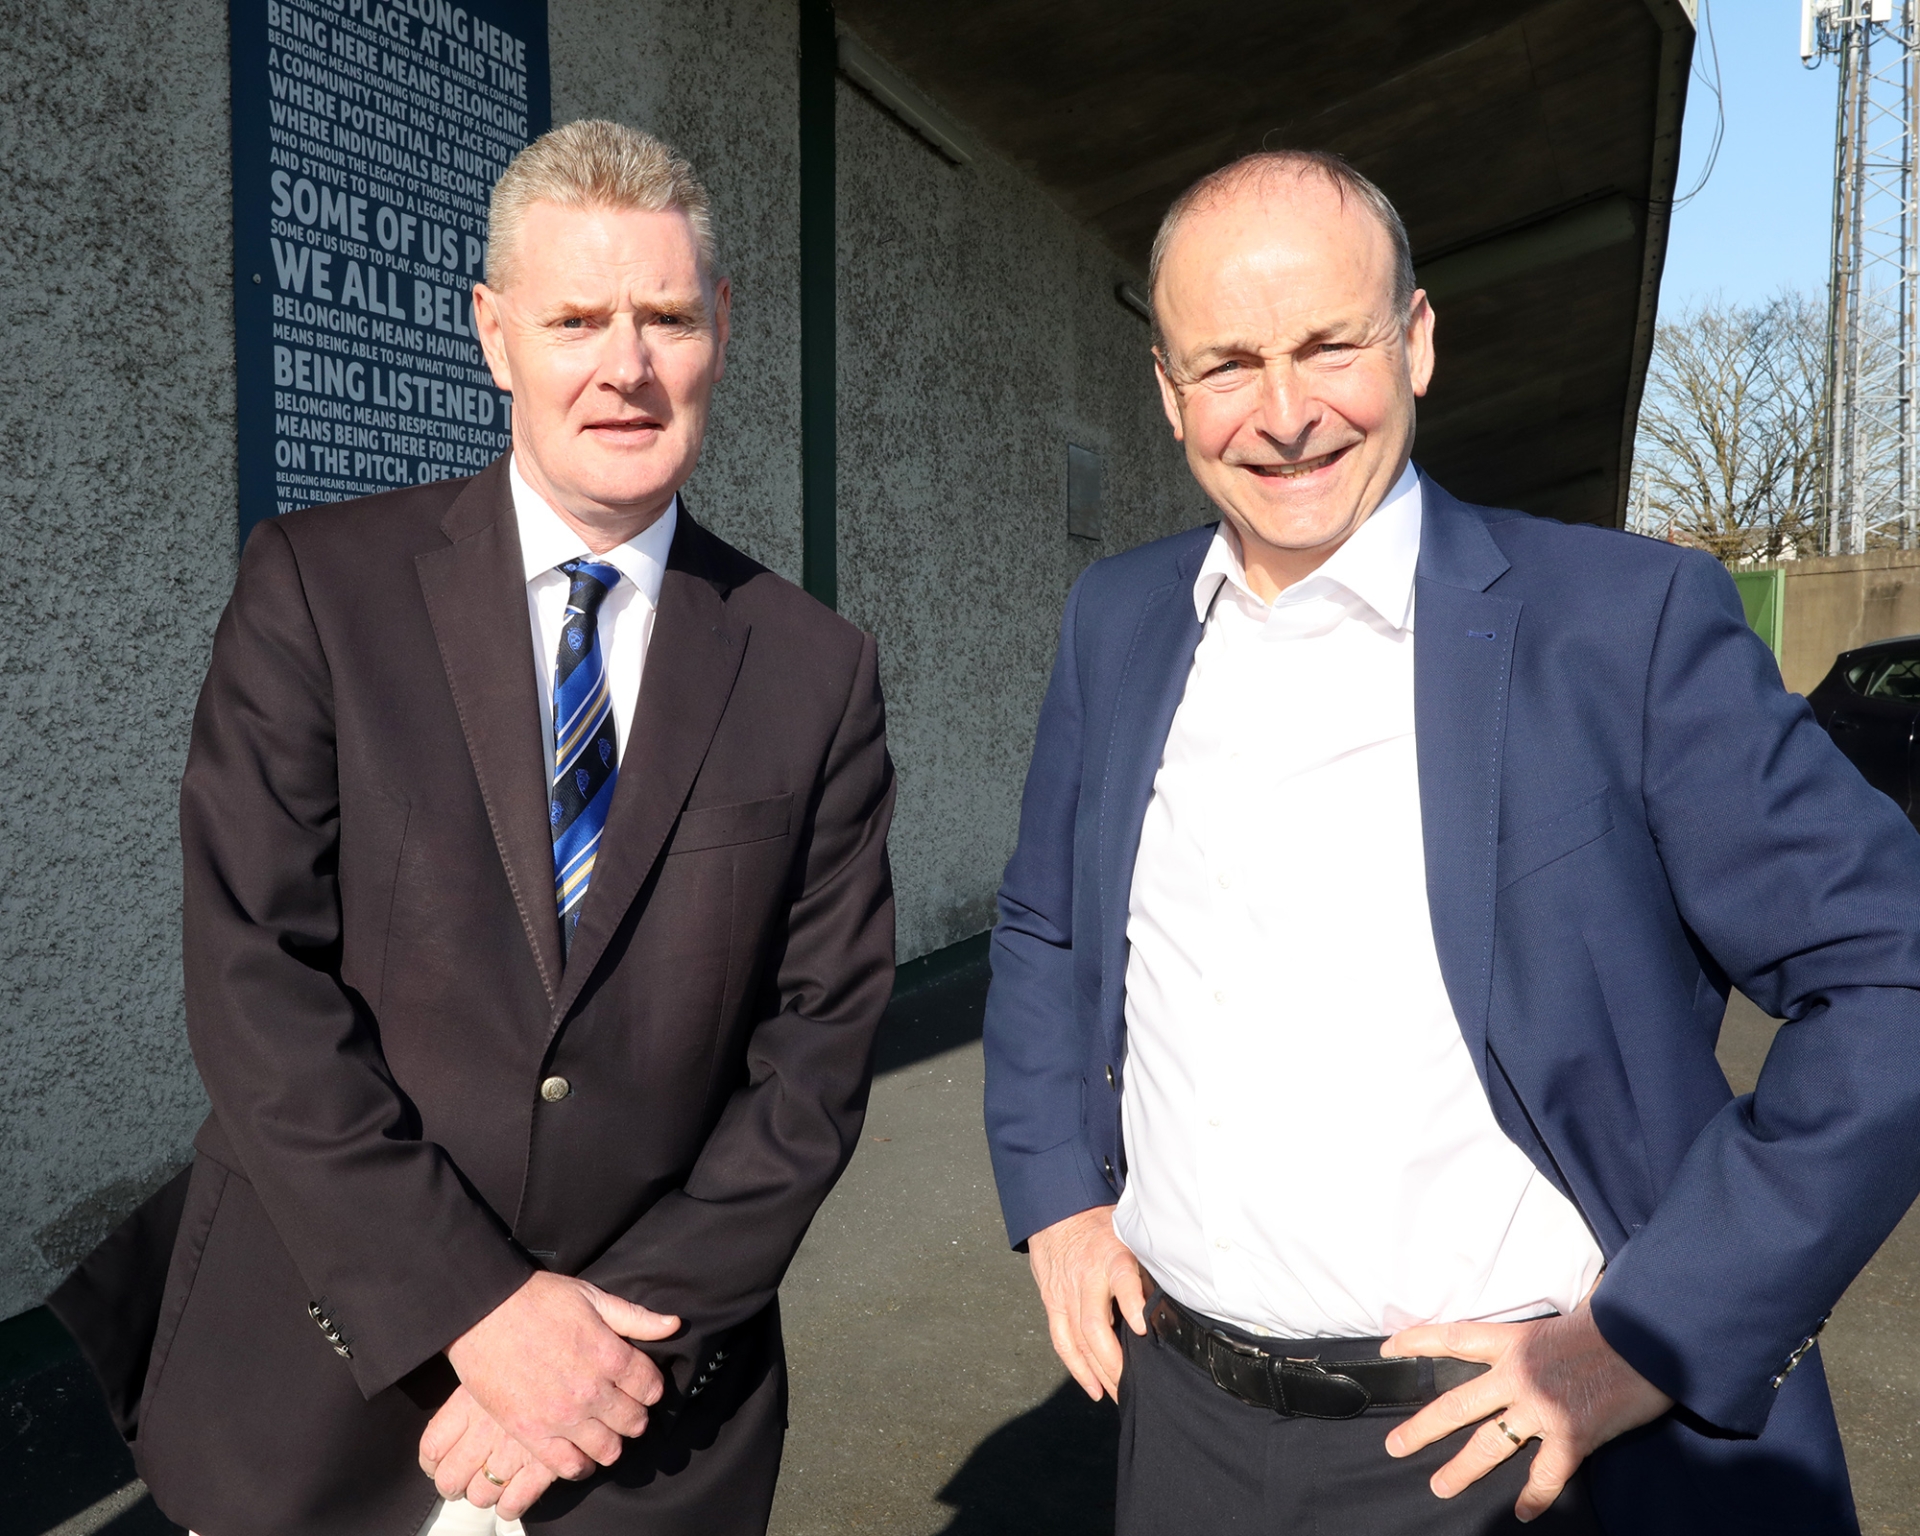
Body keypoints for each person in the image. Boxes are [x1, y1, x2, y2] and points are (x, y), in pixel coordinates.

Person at [981, 148, 1920, 1535]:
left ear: (1415, 341)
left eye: (1330, 347)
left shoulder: (1622, 626)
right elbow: (1046, 926)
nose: (1286, 416)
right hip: (1181, 1432)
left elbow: (1892, 975)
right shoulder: (1117, 622)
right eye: (1229, 365)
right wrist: (1058, 1194)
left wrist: (1654, 1337)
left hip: (1514, 1451)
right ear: (1171, 393)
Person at [51, 120, 894, 1535]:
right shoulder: (318, 586)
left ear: (721, 329)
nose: (625, 365)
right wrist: (477, 1310)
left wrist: (608, 1351)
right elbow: (255, 980)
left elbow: (815, 1052)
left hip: (642, 1419)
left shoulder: (815, 668)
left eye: (666, 317)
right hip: (318, 1387)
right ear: (496, 335)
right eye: (575, 320)